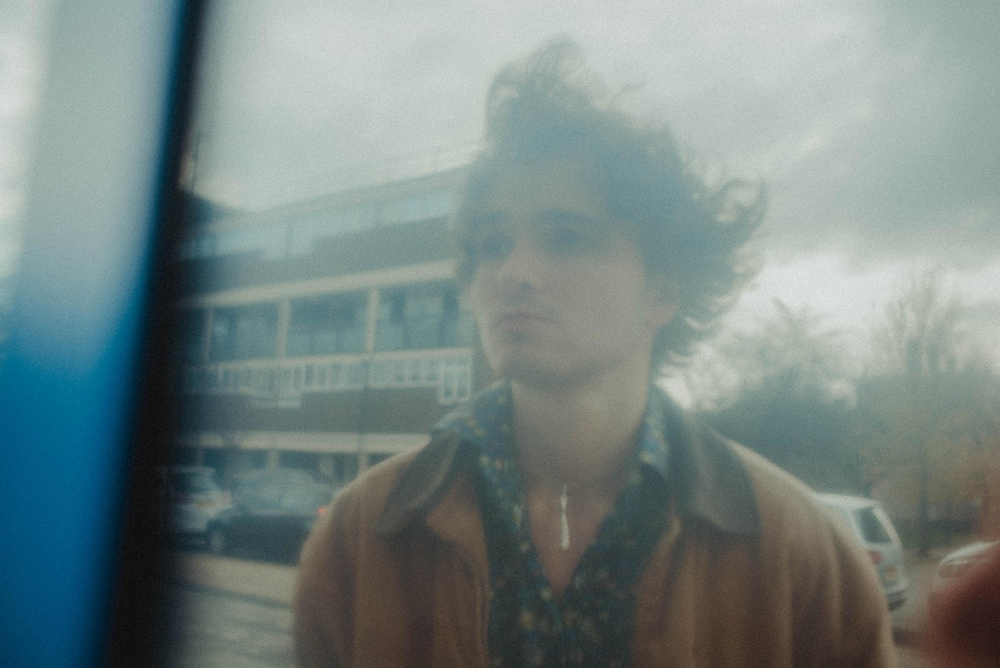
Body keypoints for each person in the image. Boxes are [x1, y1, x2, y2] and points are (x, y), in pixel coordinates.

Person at [295, 40, 896, 667]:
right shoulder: (359, 536)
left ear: (662, 291)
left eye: (567, 239)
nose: (513, 272)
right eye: (493, 244)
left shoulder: (803, 555)